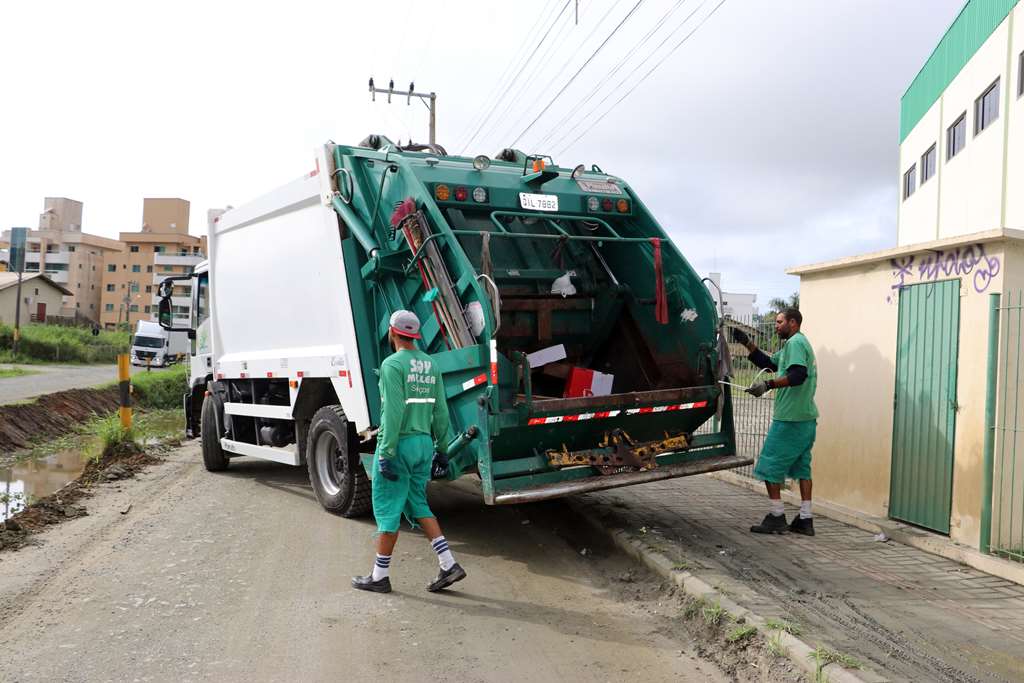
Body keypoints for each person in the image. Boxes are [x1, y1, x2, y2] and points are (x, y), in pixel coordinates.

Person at [351, 310, 466, 593]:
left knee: (388, 510)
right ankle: (448, 563)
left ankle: (379, 576)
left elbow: (392, 412)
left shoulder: (392, 365)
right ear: (415, 335)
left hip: (399, 444)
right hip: (423, 445)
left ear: (392, 332)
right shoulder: (431, 364)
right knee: (418, 504)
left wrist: (387, 452)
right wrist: (441, 449)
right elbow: (440, 411)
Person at [731, 308, 818, 536]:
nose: (776, 325)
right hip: (806, 419)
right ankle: (806, 519)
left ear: (793, 322)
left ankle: (777, 516)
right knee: (802, 469)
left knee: (768, 467)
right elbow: (768, 362)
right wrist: (746, 342)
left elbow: (798, 376)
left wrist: (767, 385)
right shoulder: (793, 345)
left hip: (789, 420)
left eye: (780, 322)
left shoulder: (796, 344)